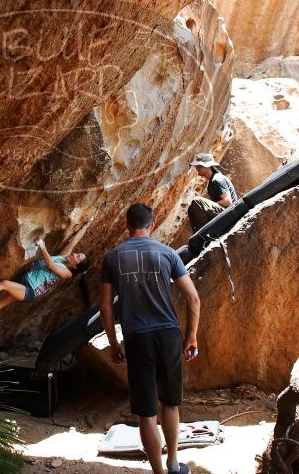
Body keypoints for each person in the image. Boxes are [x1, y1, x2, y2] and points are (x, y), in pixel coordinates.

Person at [99, 203, 201, 474]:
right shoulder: (167, 254)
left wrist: (113, 343)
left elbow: (106, 307)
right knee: (170, 402)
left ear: (126, 224)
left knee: (146, 411)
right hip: (168, 334)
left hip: (136, 338)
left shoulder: (112, 258)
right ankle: (173, 464)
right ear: (152, 225)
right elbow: (193, 297)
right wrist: (191, 337)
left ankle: (158, 472)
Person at [0, 216, 94, 336]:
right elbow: (74, 241)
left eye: (77, 257)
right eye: (77, 253)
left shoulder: (67, 273)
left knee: (4, 284)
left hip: (29, 291)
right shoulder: (63, 257)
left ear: (76, 266)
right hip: (24, 281)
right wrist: (88, 223)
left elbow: (50, 265)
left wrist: (42, 246)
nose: (75, 254)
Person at [187, 153, 238, 233]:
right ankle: (200, 235)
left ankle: (207, 233)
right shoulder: (211, 182)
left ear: (207, 166)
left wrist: (207, 205)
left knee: (197, 201)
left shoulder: (217, 179)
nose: (197, 168)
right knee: (191, 209)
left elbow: (228, 202)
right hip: (223, 214)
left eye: (199, 166)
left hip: (230, 214)